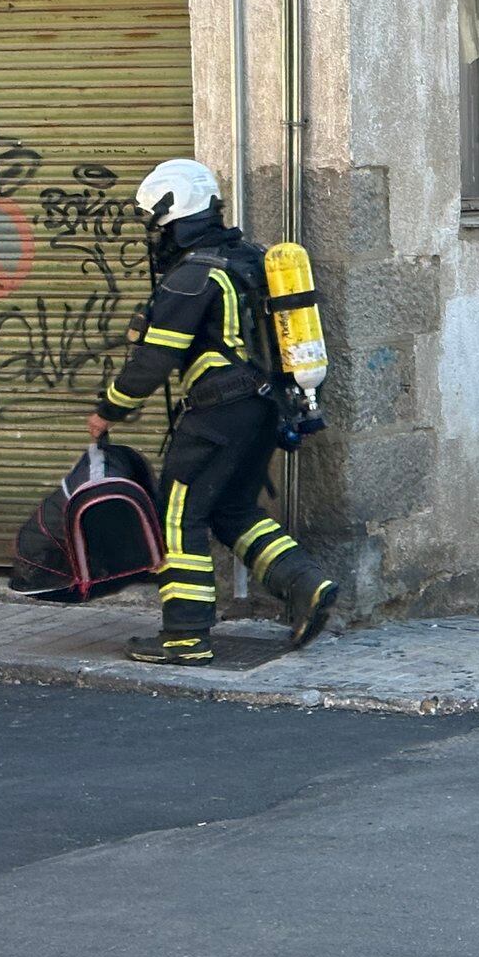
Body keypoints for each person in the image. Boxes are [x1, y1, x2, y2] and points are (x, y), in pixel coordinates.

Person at [87, 159, 338, 665]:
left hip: (217, 415)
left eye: (156, 224)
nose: (155, 236)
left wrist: (108, 411)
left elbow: (155, 359)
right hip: (267, 410)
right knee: (232, 511)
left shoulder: (192, 276)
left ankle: (184, 636)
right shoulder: (247, 258)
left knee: (178, 517)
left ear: (174, 216)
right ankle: (306, 584)